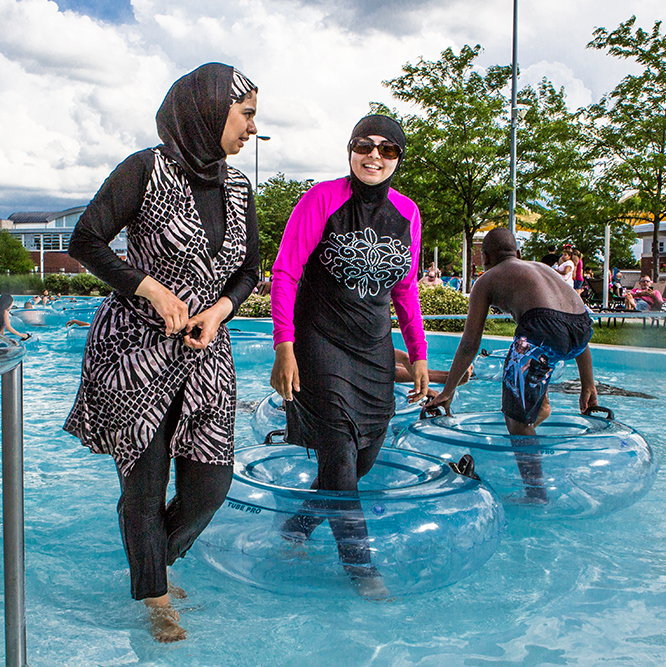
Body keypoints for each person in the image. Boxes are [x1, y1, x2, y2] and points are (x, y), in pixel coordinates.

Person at [64, 63, 260, 643]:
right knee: (143, 489)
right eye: (246, 114)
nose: (252, 128)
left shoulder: (239, 187)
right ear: (207, 108)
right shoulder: (143, 169)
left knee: (211, 485)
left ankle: (151, 560)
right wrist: (148, 287)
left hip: (207, 355)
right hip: (133, 353)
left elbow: (248, 271)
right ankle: (154, 593)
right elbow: (85, 239)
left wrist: (219, 310)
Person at [270, 114, 428, 599]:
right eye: (365, 144)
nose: (375, 156)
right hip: (321, 342)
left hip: (374, 350)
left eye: (388, 149)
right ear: (350, 149)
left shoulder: (408, 213)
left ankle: (298, 525)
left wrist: (418, 354)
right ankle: (361, 568)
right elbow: (285, 273)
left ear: (398, 158)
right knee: (338, 452)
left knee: (359, 462)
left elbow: (405, 290)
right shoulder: (321, 199)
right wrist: (284, 346)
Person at [427, 228, 597, 503]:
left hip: (541, 327)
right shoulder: (543, 268)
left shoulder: (487, 280)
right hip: (581, 327)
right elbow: (572, 324)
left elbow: (471, 343)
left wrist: (448, 390)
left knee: (515, 420)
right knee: (529, 409)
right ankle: (537, 414)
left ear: (484, 258)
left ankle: (535, 493)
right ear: (518, 253)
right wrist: (588, 384)